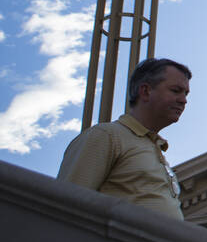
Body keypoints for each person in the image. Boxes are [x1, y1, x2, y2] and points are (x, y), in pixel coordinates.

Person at [57, 57, 191, 220]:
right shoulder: (107, 136)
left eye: (186, 94)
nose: (183, 100)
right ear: (146, 91)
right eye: (176, 91)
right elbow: (64, 206)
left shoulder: (153, 148)